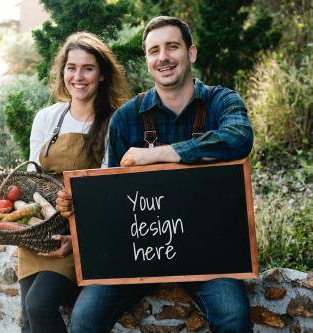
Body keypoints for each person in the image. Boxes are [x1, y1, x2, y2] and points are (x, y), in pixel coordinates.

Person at [56, 16, 254, 333]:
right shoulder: (127, 118)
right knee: (84, 319)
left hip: (208, 255)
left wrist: (159, 153)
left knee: (233, 316)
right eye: (154, 50)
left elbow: (240, 138)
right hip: (137, 254)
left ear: (191, 53)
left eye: (172, 47)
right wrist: (78, 210)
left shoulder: (221, 102)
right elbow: (110, 197)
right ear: (148, 60)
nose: (163, 57)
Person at [20, 32, 129, 333]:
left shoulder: (114, 122)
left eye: (88, 68)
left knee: (39, 305)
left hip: (84, 232)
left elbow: (111, 191)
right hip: (41, 229)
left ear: (103, 74)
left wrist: (80, 239)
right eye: (71, 67)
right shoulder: (47, 118)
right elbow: (33, 179)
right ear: (62, 71)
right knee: (29, 319)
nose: (78, 76)